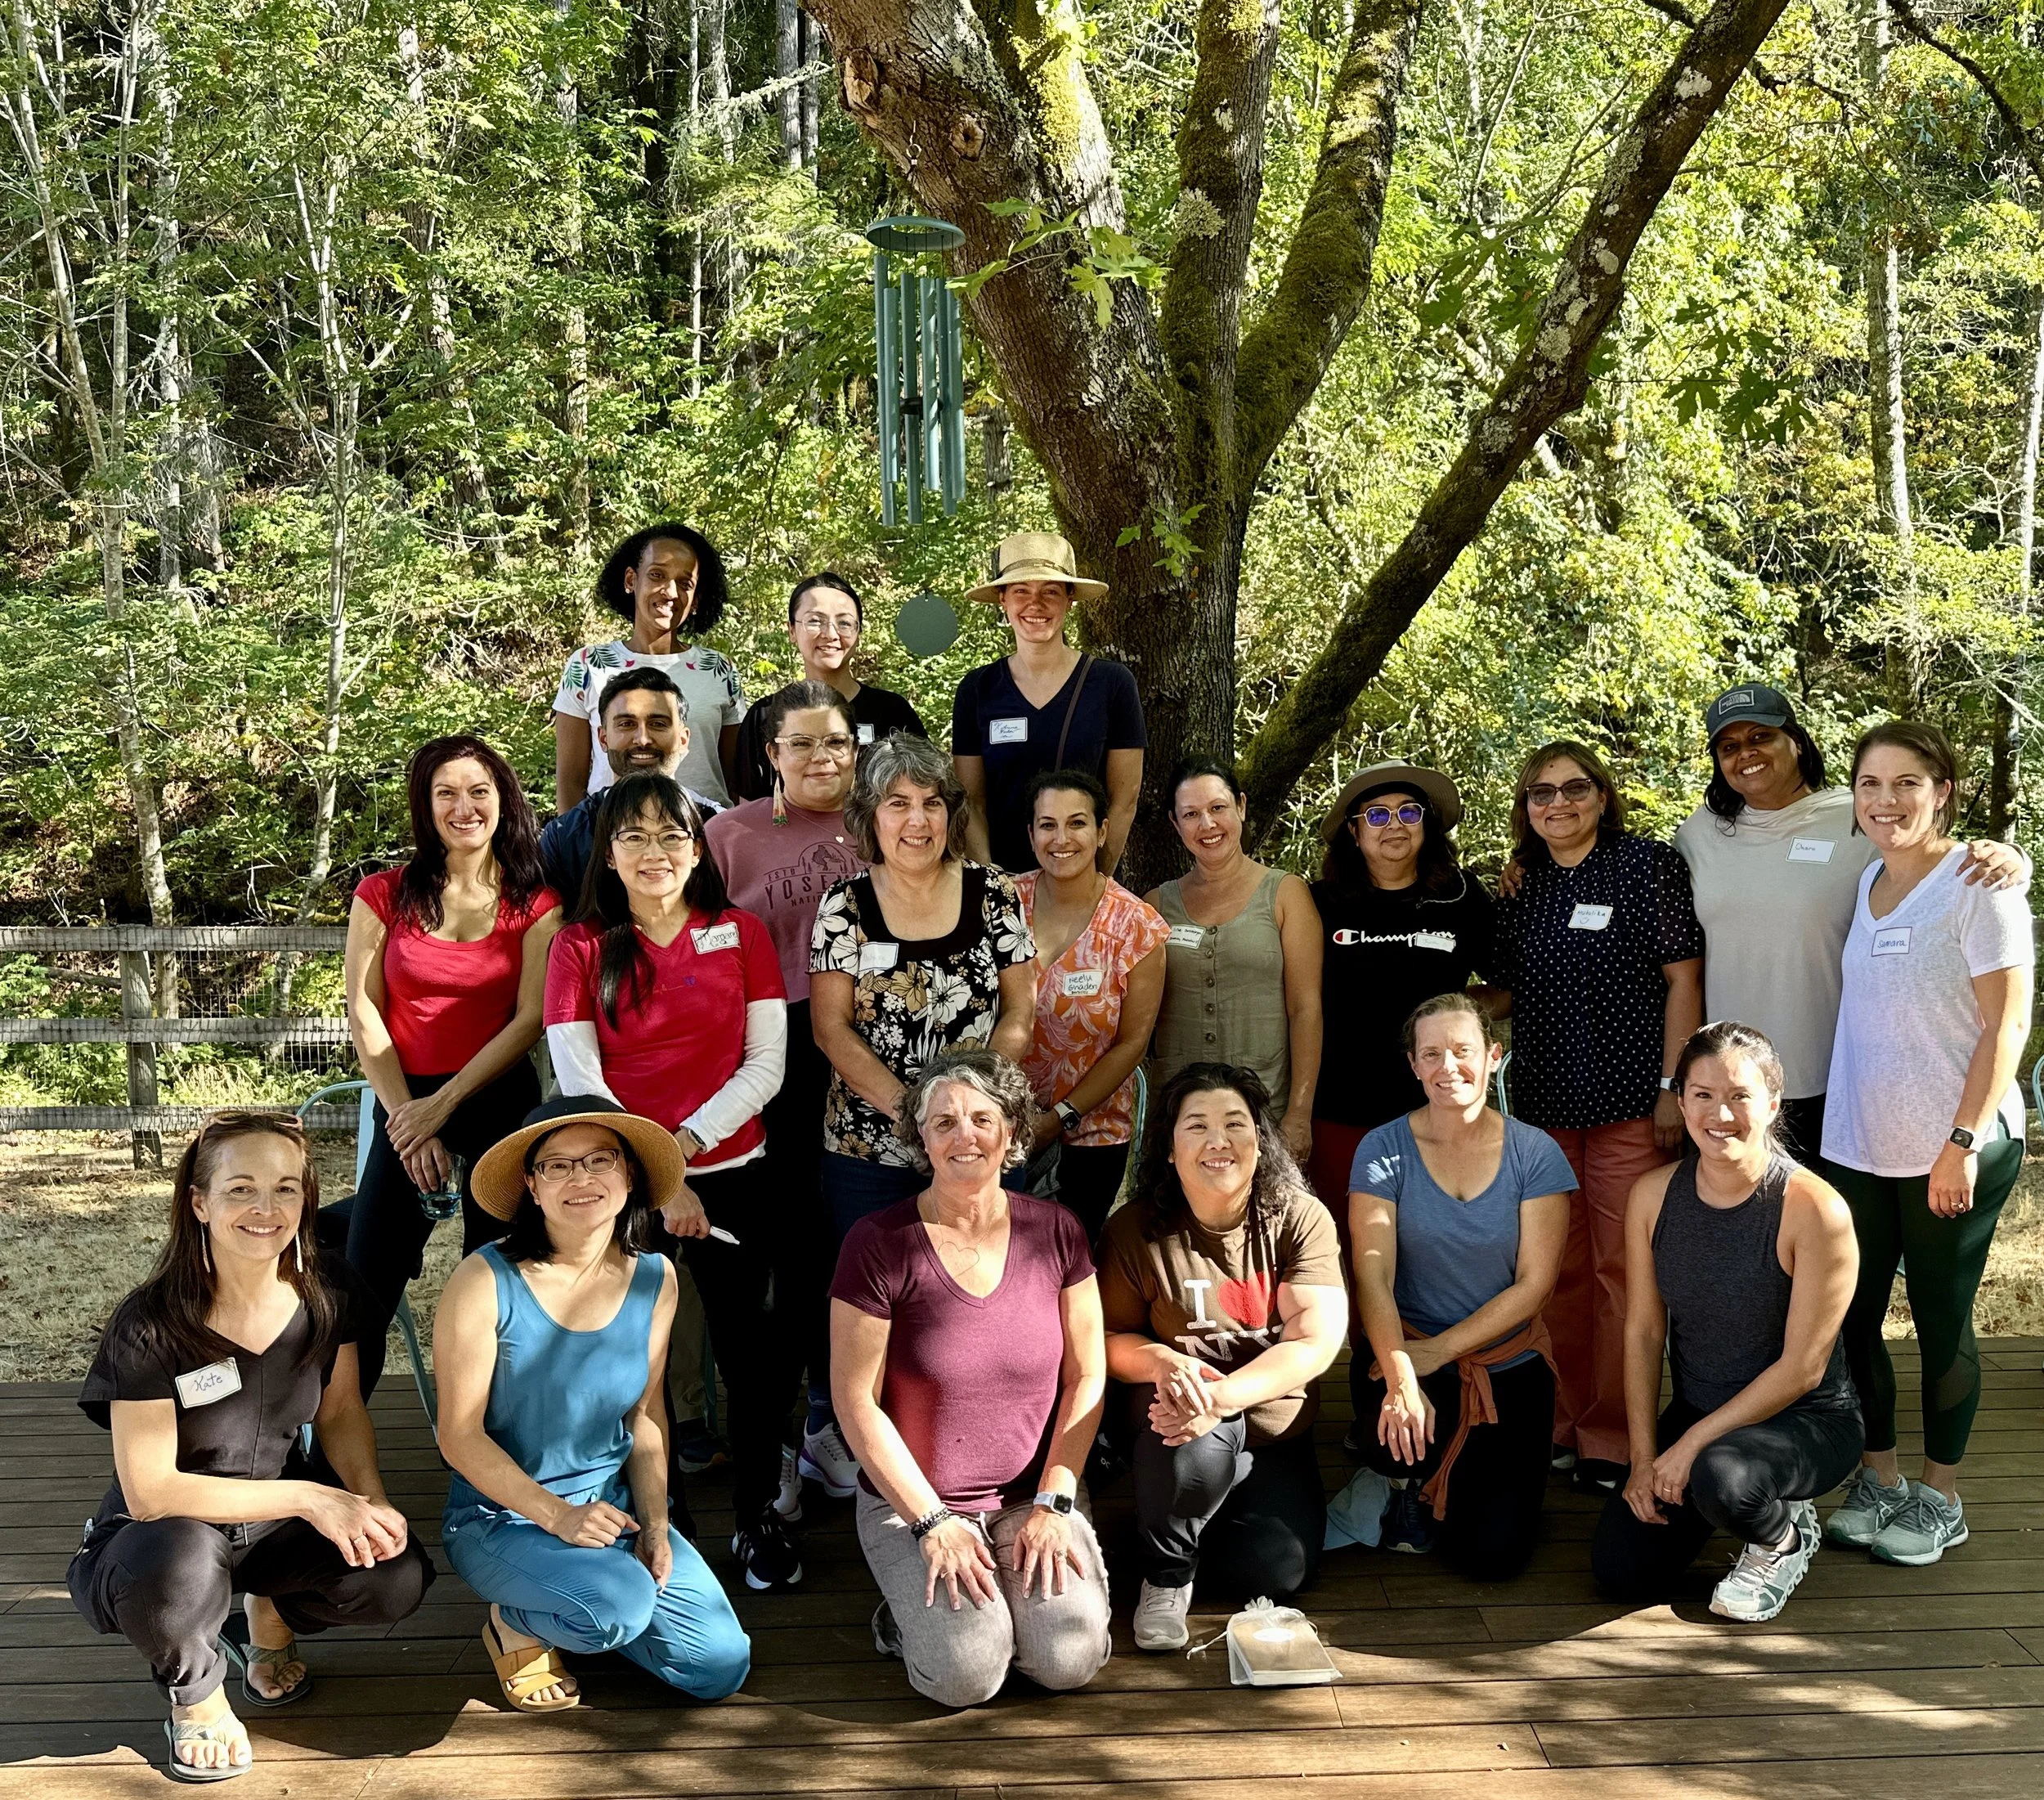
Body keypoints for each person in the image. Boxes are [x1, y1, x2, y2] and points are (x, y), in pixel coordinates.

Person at [68, 1113, 433, 1781]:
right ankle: (196, 1691)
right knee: (178, 1569)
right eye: (241, 1189)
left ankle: (266, 1609)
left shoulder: (329, 1289)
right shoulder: (150, 1322)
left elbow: (343, 1410)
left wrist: (368, 1500)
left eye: (287, 1188)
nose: (266, 1208)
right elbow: (151, 1490)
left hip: (268, 1527)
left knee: (393, 1574)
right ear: (199, 1201)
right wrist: (311, 1495)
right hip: (158, 1534)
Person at [544, 770, 794, 1586]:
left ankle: (758, 1514)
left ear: (698, 846)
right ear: (607, 854)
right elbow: (580, 1078)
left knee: (752, 1359)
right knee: (631, 1364)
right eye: (633, 836)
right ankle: (667, 1521)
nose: (655, 852)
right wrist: (658, 1174)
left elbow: (767, 1064)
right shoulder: (579, 945)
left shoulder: (741, 932)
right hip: (624, 1189)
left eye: (672, 834)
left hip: (736, 1173)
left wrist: (682, 1149)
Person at [437, 1098, 751, 1712]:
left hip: (614, 1515)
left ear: (628, 1173)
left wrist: (657, 1527)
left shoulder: (656, 1276)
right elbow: (459, 1436)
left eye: (599, 1160)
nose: (581, 1178)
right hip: (504, 1518)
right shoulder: (484, 1278)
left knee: (719, 1666)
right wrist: (559, 1518)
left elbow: (646, 1417)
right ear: (532, 1185)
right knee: (617, 1607)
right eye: (557, 1166)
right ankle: (517, 1623)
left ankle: (595, 1603)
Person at [830, 1050, 1109, 1708]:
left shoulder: (1058, 1230)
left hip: (1031, 1497)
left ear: (1012, 1131)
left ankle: (1005, 1610)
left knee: (1069, 1659)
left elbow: (1088, 1372)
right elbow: (854, 1400)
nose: (966, 1136)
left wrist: (1055, 1500)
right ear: (920, 1136)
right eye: (944, 1121)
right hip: (917, 1507)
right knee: (966, 1677)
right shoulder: (878, 1243)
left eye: (984, 1118)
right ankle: (907, 1619)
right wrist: (931, 1521)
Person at [1818, 721, 2033, 1566]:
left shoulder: (1981, 883)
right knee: (1853, 1315)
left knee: (1941, 1318)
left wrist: (1962, 1138)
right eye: (1870, 783)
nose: (1886, 800)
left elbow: (2007, 1020)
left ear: (1942, 788)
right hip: (1862, 1139)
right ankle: (1880, 1477)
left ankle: (1941, 1496)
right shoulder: (1869, 875)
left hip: (1955, 1143)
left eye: (1907, 782)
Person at [1673, 684, 2024, 1161]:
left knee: (1823, 1228)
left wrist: (2013, 859)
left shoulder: (1858, 815)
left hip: (1832, 1076)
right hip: (1727, 1082)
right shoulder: (1697, 834)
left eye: (1761, 737)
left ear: (1796, 741)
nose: (1746, 754)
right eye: (1729, 747)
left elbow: (1937, 864)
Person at [1593, 1022, 1862, 1623]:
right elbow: (1641, 1332)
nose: (1721, 1113)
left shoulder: (1814, 1208)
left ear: (1771, 1103)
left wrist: (1688, 1446)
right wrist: (1643, 1458)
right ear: (1681, 1100)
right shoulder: (1652, 1195)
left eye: (1739, 1095)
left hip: (1807, 1420)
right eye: (1703, 1094)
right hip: (1703, 1410)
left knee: (1721, 1474)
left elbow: (1803, 1368)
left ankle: (1782, 1538)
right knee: (1620, 1568)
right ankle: (1743, 1495)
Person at [1490, 739, 1703, 1493]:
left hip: (1630, 1110)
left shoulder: (1648, 865)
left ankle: (1614, 1436)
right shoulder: (1525, 886)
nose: (1558, 804)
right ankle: (1561, 1422)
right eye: (1540, 793)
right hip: (1544, 1113)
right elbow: (1505, 992)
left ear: (1602, 795)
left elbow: (1684, 978)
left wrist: (1674, 1085)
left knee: (1624, 1272)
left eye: (1573, 788)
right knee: (1556, 1274)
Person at [1099, 1065, 1345, 1651]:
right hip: (1175, 1423)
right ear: (1167, 1146)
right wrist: (1163, 1364)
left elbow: (1315, 1337)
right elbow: (1106, 1337)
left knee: (1277, 1572)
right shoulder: (1134, 1230)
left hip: (1268, 1427)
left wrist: (1223, 1397)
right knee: (1189, 1439)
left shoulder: (1298, 1217)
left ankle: (1171, 1522)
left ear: (1261, 1140)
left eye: (1236, 1123)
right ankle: (1166, 1575)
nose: (1219, 1141)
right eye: (1198, 1126)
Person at [343, 734, 560, 1398]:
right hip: (403, 1099)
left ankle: (489, 1446)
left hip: (498, 1097)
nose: (463, 807)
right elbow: (363, 1009)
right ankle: (327, 1461)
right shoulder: (382, 893)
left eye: (478, 791)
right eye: (446, 793)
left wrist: (446, 1104)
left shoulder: (537, 902)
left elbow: (530, 1020)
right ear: (425, 803)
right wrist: (411, 1118)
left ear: (502, 800)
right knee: (365, 1280)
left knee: (494, 1279)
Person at [706, 679, 869, 1506]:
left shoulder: (880, 825)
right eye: (800, 743)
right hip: (760, 1060)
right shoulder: (726, 835)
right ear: (770, 753)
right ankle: (763, 1445)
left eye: (834, 743)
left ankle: (827, 1423)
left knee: (831, 1248)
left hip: (860, 1054)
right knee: (760, 1257)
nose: (819, 758)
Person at [1340, 994, 1571, 1577]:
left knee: (1491, 1559)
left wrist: (1435, 1353)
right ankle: (1399, 1480)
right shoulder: (1382, 1147)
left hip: (1503, 1359)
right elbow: (1372, 1271)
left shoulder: (1535, 1152)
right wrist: (1400, 1376)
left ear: (1493, 1056)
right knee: (1383, 1436)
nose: (1449, 1067)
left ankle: (1454, 1483)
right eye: (1433, 1054)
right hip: (1407, 1343)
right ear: (1414, 1065)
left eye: (1464, 1051)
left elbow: (1535, 1286)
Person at [810, 733, 1038, 1239]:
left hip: (978, 1141)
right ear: (871, 816)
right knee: (876, 1303)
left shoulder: (994, 893)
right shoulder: (843, 907)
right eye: (898, 804)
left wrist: (971, 1107)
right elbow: (830, 1028)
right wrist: (913, 1114)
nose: (918, 821)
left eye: (931, 803)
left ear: (950, 814)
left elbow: (1021, 1009)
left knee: (986, 1292)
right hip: (870, 1152)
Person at [1307, 762, 1499, 1215]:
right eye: (1376, 815)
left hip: (1437, 1102)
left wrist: (1445, 1009)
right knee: (1344, 1239)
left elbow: (1509, 987)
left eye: (1409, 813)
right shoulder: (1319, 902)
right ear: (1354, 833)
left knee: (1430, 1235)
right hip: (1340, 1104)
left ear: (1426, 826)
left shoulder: (1462, 897)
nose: (1394, 825)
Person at [1014, 767, 1169, 1242]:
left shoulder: (1137, 926)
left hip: (1093, 1130)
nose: (1062, 838)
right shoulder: (999, 902)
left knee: (1069, 1263)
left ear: (1102, 831)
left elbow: (1132, 1044)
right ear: (1031, 833)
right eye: (1048, 824)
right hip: (1001, 1126)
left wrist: (1058, 1118)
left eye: (1077, 823)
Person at [1146, 757, 1324, 1163]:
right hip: (1177, 1113)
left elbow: (1306, 1009)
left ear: (1241, 807)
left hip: (1265, 1107)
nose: (1207, 824)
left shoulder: (1285, 894)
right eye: (1191, 814)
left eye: (1218, 808)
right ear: (1176, 825)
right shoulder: (1156, 905)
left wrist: (1300, 1112)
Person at [950, 532, 1144, 876]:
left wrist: (1097, 879)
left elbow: (1124, 798)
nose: (1035, 605)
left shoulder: (1112, 684)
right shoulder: (978, 689)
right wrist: (991, 881)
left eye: (1050, 592)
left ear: (1070, 599)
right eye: (1021, 591)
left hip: (1084, 883)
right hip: (1004, 889)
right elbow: (972, 802)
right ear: (1002, 600)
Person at [553, 522, 743, 810]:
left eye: (684, 583)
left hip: (708, 838)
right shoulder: (588, 665)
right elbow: (570, 780)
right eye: (657, 575)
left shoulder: (718, 670)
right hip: (614, 839)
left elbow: (735, 778)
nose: (669, 591)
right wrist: (573, 846)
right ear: (631, 580)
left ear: (696, 599)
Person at [728, 574, 927, 801]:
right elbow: (749, 810)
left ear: (859, 633)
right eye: (815, 621)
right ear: (792, 630)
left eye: (844, 623)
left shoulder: (893, 711)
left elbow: (924, 792)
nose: (831, 634)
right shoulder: (765, 715)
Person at [540, 667, 724, 902]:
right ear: (603, 738)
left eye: (658, 724)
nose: (643, 740)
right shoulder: (563, 838)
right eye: (627, 724)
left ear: (683, 739)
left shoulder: (718, 826)